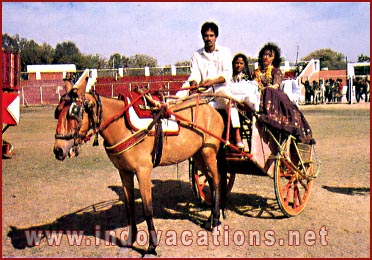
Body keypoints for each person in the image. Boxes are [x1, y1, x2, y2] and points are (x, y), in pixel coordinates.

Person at [176, 22, 243, 147]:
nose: (209, 38)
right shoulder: (196, 55)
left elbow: (227, 75)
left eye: (211, 35)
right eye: (206, 36)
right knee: (182, 98)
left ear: (216, 37)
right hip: (204, 91)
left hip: (220, 89)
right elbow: (194, 74)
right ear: (202, 37)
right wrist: (195, 84)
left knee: (229, 99)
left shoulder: (224, 52)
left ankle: (237, 135)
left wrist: (211, 82)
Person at [253, 42, 314, 144]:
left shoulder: (276, 71)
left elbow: (276, 85)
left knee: (269, 91)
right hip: (256, 96)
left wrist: (264, 89)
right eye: (265, 54)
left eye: (270, 55)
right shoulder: (254, 72)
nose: (266, 57)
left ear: (274, 58)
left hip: (272, 97)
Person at [229, 53, 260, 148]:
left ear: (244, 65)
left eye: (241, 63)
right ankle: (237, 141)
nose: (238, 65)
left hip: (245, 109)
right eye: (237, 63)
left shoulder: (247, 78)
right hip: (234, 105)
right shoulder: (229, 77)